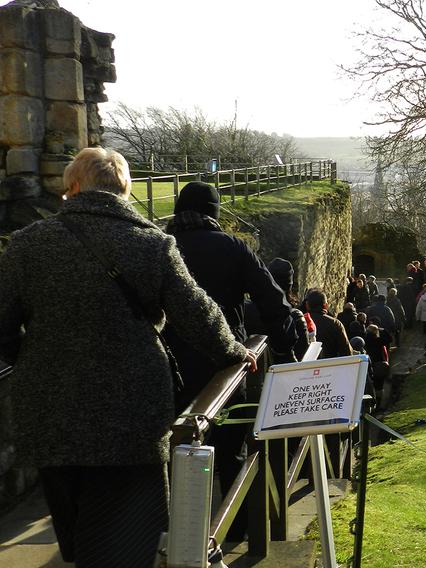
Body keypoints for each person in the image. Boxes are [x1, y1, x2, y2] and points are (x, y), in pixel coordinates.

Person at [0, 147, 255, 567]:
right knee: (131, 528)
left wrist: (36, 361)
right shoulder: (152, 244)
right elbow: (198, 314)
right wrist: (234, 351)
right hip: (133, 409)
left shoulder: (28, 244)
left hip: (51, 409)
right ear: (124, 190)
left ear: (73, 186)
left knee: (78, 526)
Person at [164, 180, 298, 541]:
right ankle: (237, 530)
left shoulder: (161, 246)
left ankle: (178, 531)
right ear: (214, 212)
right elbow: (273, 302)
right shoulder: (232, 247)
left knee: (173, 447)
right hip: (221, 366)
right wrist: (285, 344)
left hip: (168, 364)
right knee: (229, 450)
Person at [245, 258, 309, 361]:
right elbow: (303, 356)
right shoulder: (294, 316)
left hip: (252, 371)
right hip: (283, 374)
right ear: (289, 286)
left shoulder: (245, 309)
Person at [304, 289, 354, 359]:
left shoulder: (300, 322)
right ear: (326, 306)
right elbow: (347, 352)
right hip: (328, 366)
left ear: (307, 305)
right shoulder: (335, 324)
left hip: (301, 367)